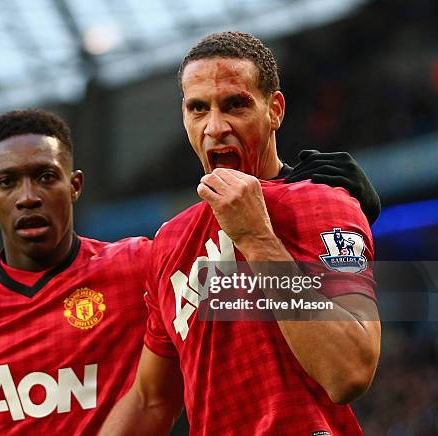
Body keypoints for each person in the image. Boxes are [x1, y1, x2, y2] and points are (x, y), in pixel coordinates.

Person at [0, 107, 378, 434]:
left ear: (75, 186)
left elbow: (230, 237)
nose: (28, 196)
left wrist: (307, 194)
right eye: (8, 182)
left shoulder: (140, 265)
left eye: (45, 176)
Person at [101, 32, 381, 435]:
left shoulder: (322, 204)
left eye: (235, 105)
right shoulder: (170, 242)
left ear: (275, 110)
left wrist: (258, 240)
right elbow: (151, 399)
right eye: (198, 109)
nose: (215, 127)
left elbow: (349, 371)